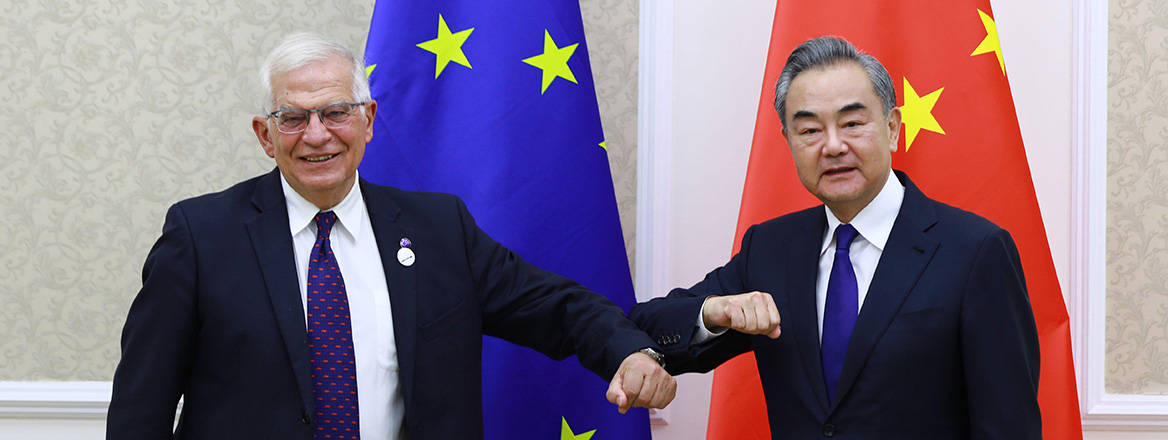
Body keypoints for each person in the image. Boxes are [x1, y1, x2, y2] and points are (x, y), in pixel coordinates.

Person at [106, 33, 674, 440]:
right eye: (294, 118)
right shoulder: (201, 235)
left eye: (335, 112)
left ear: (369, 120)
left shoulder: (438, 229)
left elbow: (556, 307)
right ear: (265, 134)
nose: (317, 135)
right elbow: (142, 404)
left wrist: (628, 349)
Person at [630, 36, 1041, 438]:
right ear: (789, 142)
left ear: (893, 128)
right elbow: (646, 325)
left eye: (852, 123)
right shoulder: (771, 248)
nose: (832, 145)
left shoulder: (974, 251)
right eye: (809, 130)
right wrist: (712, 312)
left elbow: (1008, 424)